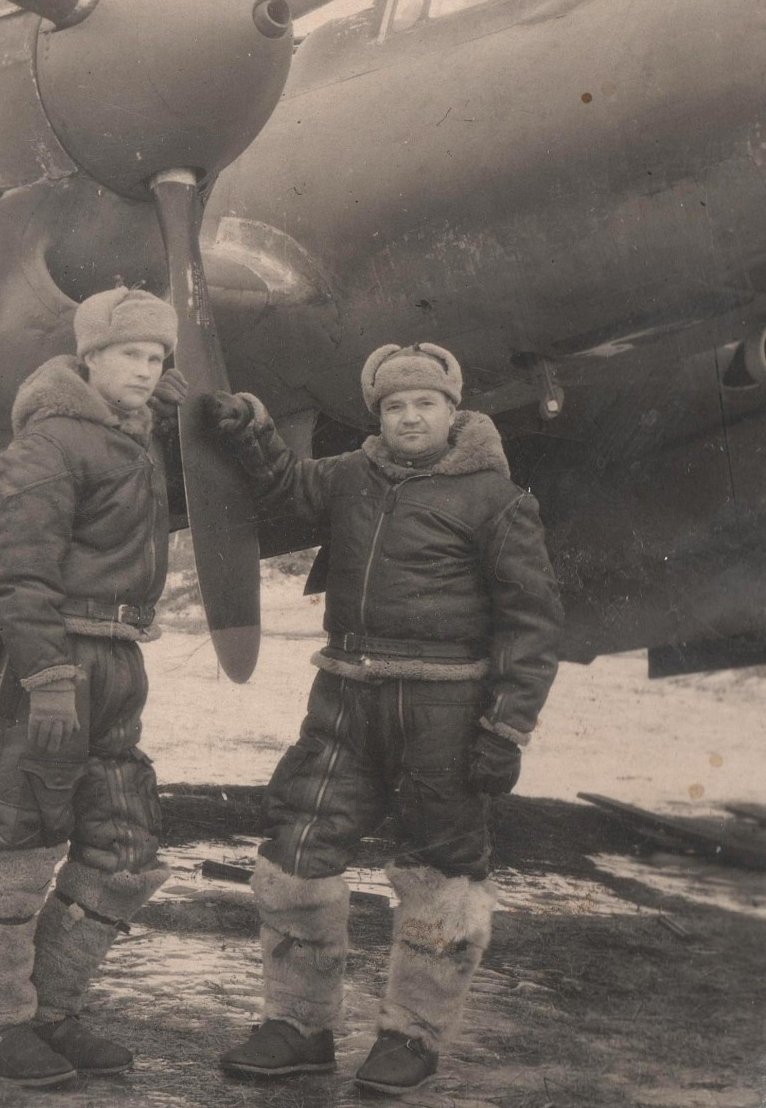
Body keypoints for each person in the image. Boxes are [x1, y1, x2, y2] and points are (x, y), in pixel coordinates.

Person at [208, 342, 562, 1096]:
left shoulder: (497, 500)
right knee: (298, 845)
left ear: (452, 411)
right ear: (378, 415)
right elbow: (284, 487)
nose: (409, 417)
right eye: (394, 406)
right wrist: (252, 429)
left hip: (445, 708)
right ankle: (298, 1027)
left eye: (425, 403)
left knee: (442, 872)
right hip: (345, 696)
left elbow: (531, 625)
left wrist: (506, 727)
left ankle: (413, 1037)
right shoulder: (348, 476)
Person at [0, 286, 185, 1088]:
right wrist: (49, 677)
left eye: (156, 358)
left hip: (118, 660)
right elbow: (16, 571)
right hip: (48, 664)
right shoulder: (48, 443)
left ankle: (49, 1010)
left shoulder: (135, 440)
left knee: (124, 849)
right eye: (129, 355)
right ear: (89, 358)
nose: (145, 372)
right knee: (15, 842)